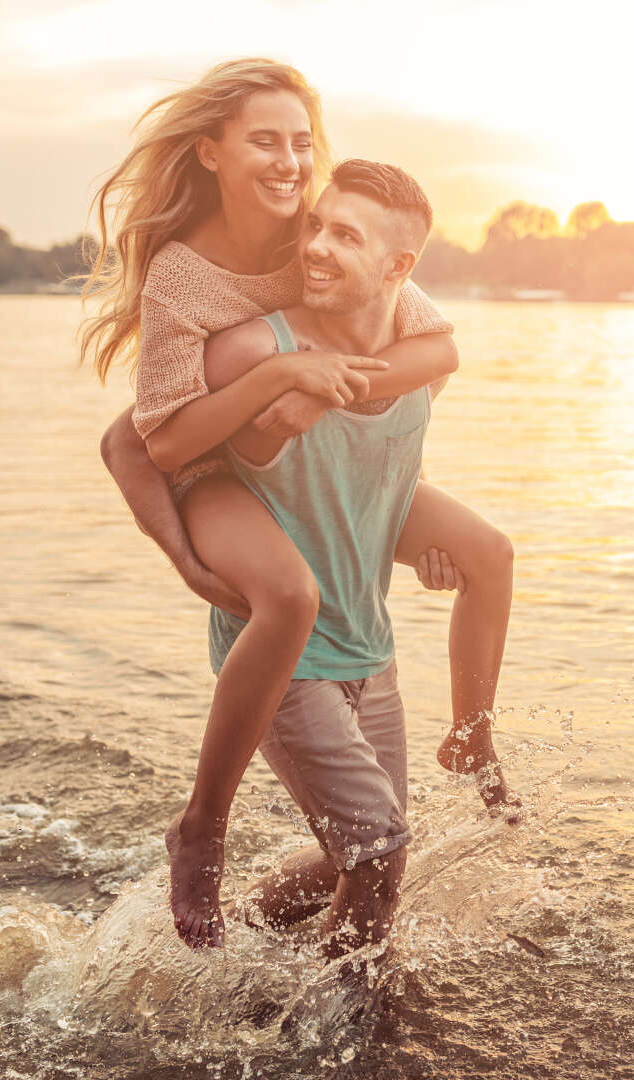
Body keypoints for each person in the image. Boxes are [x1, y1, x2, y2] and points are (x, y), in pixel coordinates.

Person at [83, 60, 515, 950]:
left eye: (300, 142)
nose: (290, 164)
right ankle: (203, 826)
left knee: (487, 555)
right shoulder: (186, 276)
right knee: (289, 598)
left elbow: (434, 347)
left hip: (325, 507)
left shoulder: (312, 238)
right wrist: (284, 378)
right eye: (264, 141)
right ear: (208, 151)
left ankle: (470, 737)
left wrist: (331, 396)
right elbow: (145, 441)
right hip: (208, 473)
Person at [155, 159, 454, 958]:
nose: (315, 245)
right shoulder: (253, 344)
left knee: (352, 856)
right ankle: (340, 1024)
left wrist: (421, 542)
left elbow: (374, 474)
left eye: (343, 235)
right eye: (316, 224)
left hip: (370, 644)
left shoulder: (418, 355)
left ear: (399, 269)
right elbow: (139, 439)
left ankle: (215, 953)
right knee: (379, 853)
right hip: (285, 650)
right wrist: (184, 558)